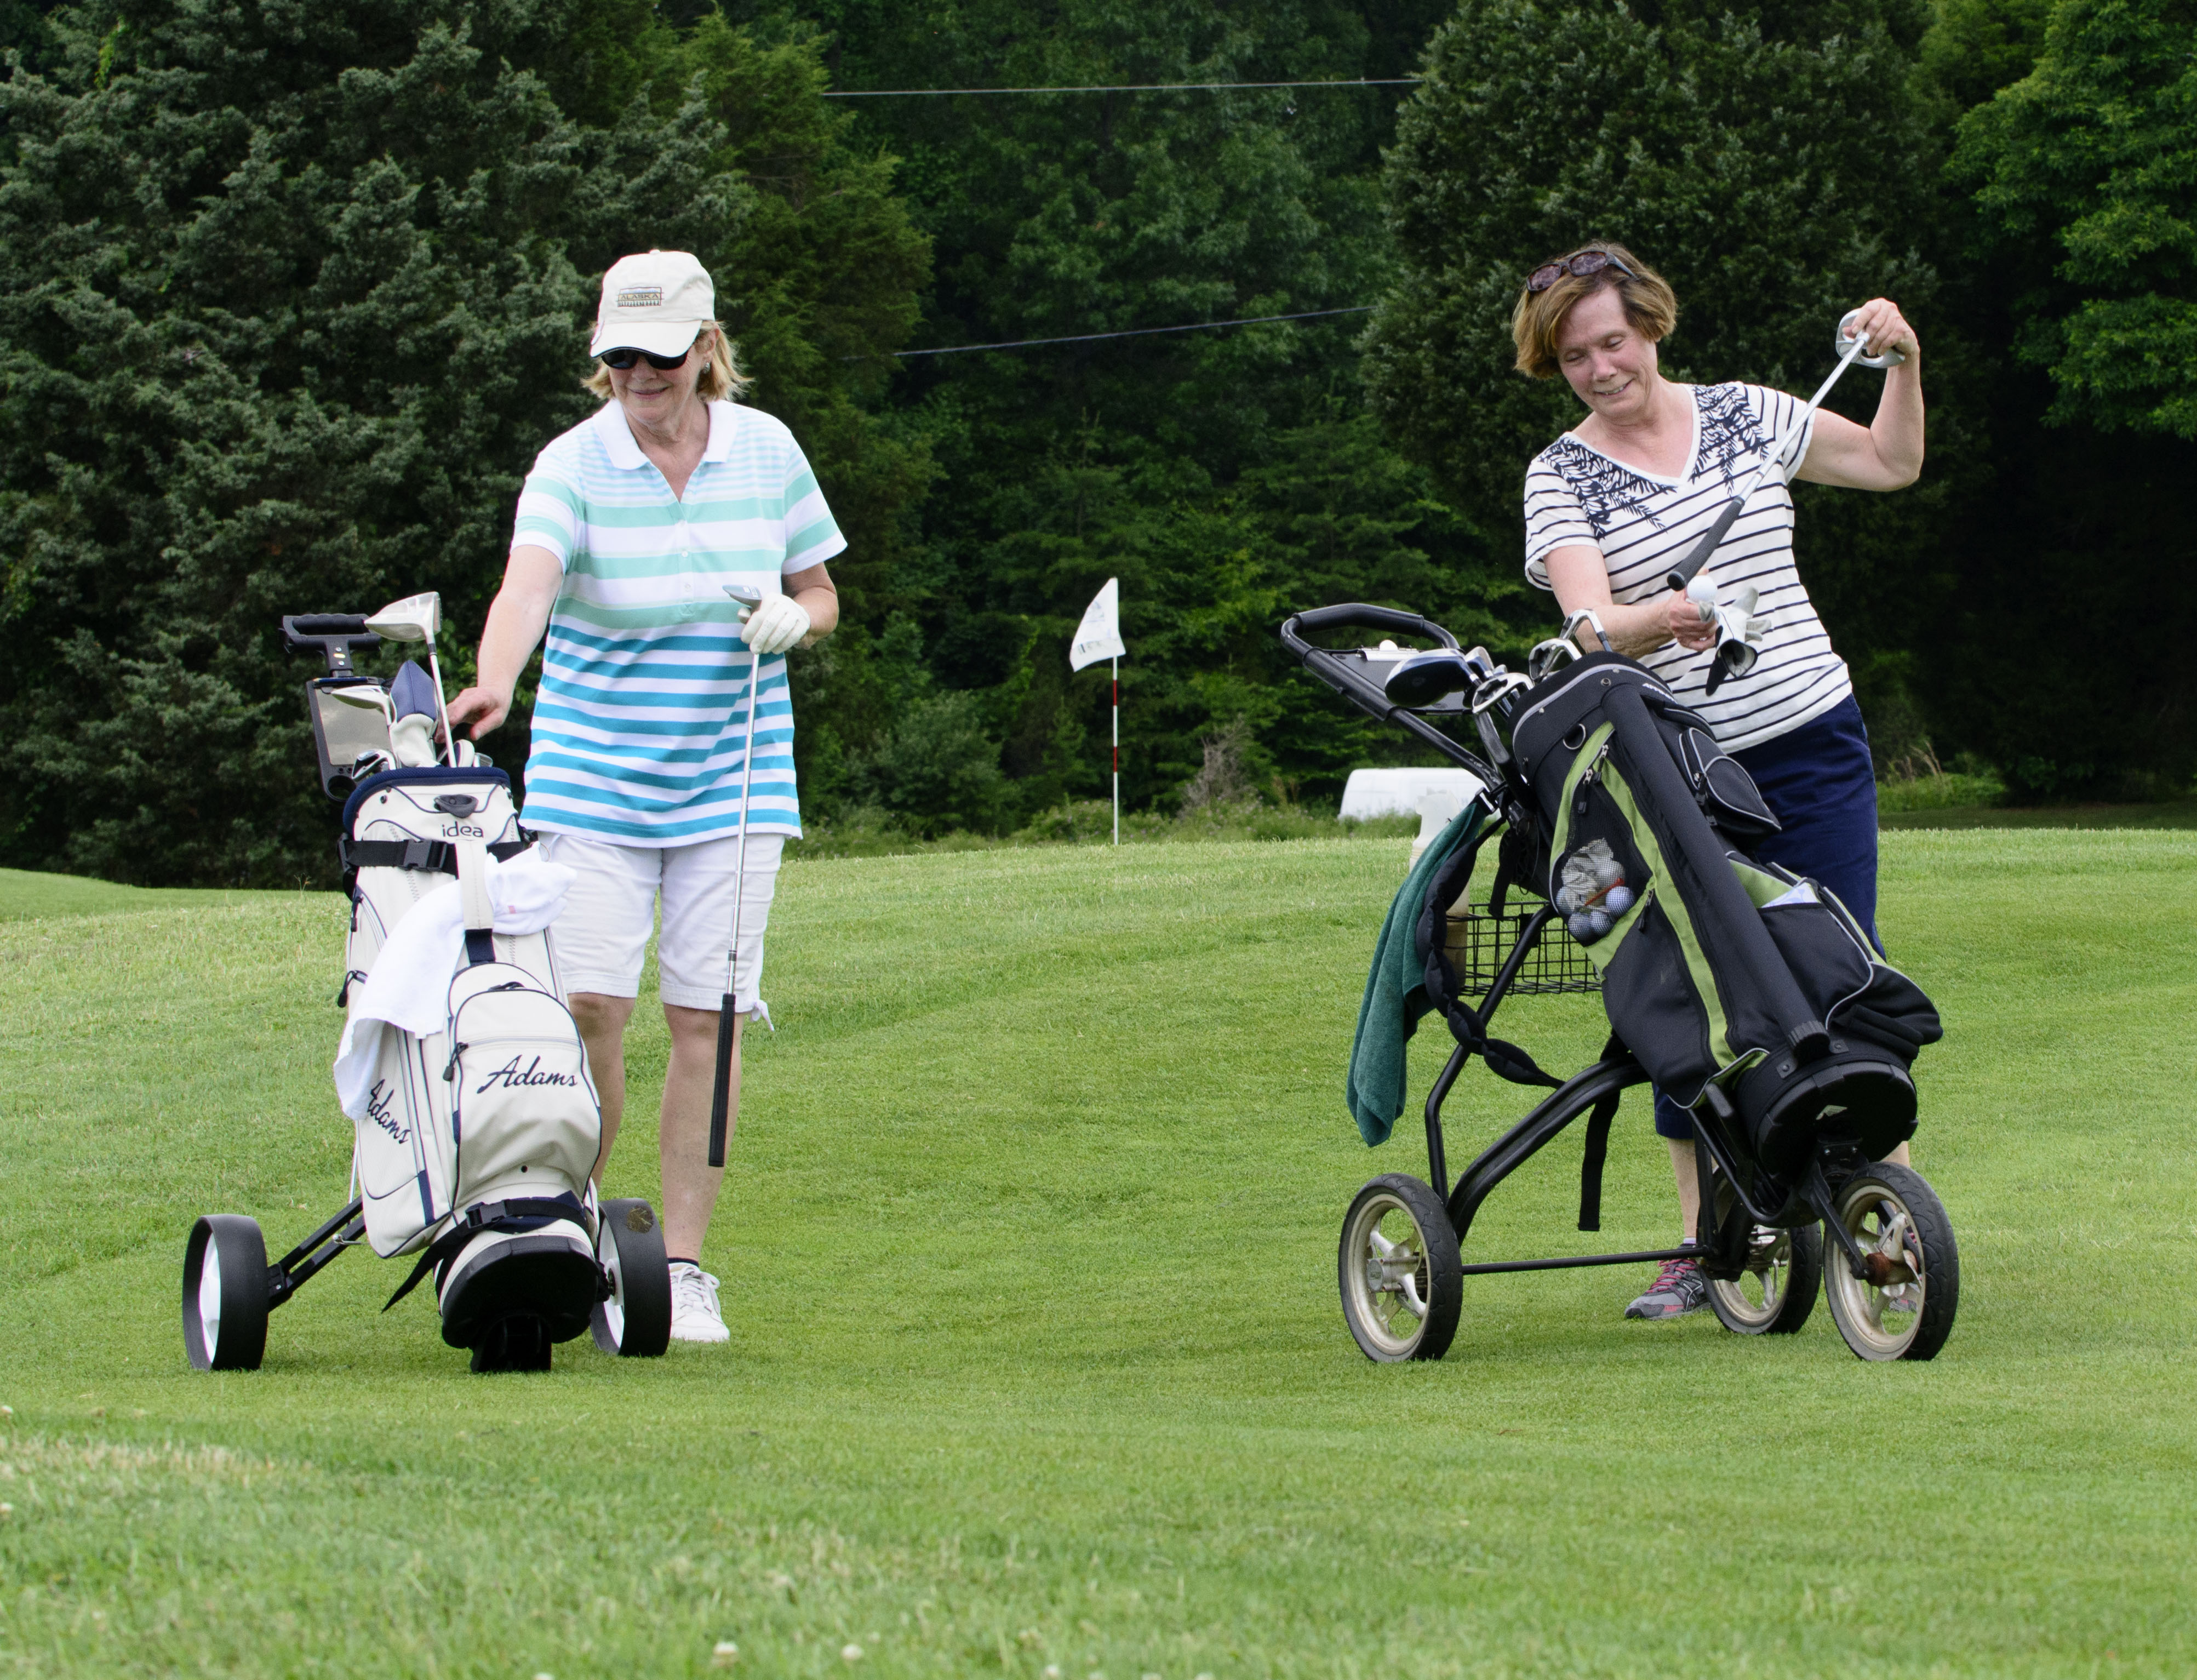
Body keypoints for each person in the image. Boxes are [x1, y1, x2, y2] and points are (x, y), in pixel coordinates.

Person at [1511, 242, 1924, 1322]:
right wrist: (1652, 624)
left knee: (1843, 976)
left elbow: (1890, 463)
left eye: (1612, 341)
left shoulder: (1747, 413)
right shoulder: (1561, 474)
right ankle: (1707, 1243)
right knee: (1699, 995)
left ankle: (1887, 1216)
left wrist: (1903, 365)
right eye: (1573, 356)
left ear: (1649, 323)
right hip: (1682, 772)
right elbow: (1588, 630)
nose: (1601, 368)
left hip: (1814, 742)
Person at [446, 249, 843, 1344]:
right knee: (588, 1013)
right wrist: (493, 677)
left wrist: (789, 617)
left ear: (705, 349)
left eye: (660, 355)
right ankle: (570, 1236)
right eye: (620, 356)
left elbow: (824, 594)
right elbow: (528, 584)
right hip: (593, 776)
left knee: (704, 1023)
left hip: (734, 778)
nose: (640, 374)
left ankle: (677, 1267)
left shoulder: (766, 454)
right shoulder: (571, 465)